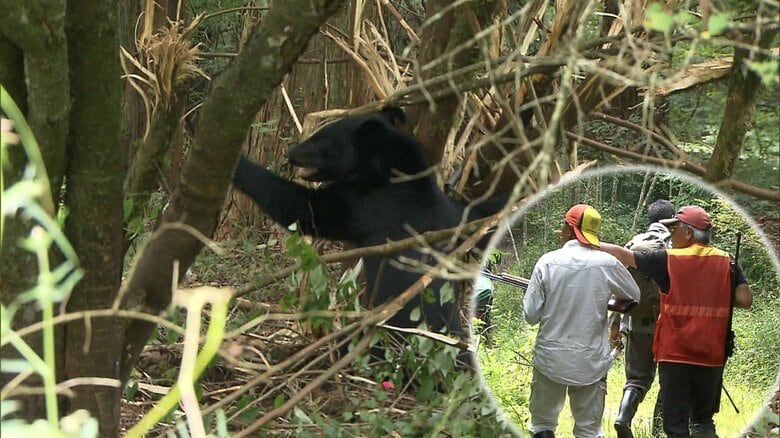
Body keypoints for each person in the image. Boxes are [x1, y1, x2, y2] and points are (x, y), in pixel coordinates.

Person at [599, 205, 753, 438]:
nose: (671, 234)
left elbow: (624, 255)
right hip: (711, 355)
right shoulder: (727, 262)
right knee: (702, 422)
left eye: (675, 228)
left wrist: (589, 242)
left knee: (676, 425)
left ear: (689, 233)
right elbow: (745, 299)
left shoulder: (669, 260)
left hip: (675, 355)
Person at [523, 204, 640, 438]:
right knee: (588, 430)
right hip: (590, 362)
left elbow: (531, 315)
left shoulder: (547, 262)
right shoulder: (608, 263)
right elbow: (633, 296)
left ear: (569, 227)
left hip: (550, 359)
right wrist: (604, 302)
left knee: (543, 425)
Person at [610, 199, 675, 438]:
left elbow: (618, 288)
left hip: (636, 323)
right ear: (671, 220)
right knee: (669, 380)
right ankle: (658, 430)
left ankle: (622, 418)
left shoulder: (632, 244)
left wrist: (614, 325)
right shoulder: (674, 245)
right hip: (668, 325)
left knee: (636, 379)